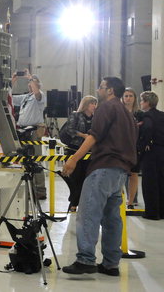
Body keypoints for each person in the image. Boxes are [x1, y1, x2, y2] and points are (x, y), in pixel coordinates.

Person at [62, 77, 137, 277]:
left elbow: (94, 136)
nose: (98, 90)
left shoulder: (106, 107)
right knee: (112, 219)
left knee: (88, 213)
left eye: (101, 87)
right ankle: (111, 264)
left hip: (103, 168)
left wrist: (74, 159)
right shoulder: (127, 113)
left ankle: (85, 260)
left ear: (110, 90)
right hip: (120, 172)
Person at [11, 70, 47, 199]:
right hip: (23, 131)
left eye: (32, 83)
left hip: (34, 131)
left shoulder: (40, 97)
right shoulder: (26, 97)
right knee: (25, 161)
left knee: (36, 160)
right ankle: (29, 189)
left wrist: (31, 78)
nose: (30, 85)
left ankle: (40, 190)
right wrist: (12, 82)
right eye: (29, 83)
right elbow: (10, 97)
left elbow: (37, 93)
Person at [61, 95, 97, 211]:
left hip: (89, 151)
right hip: (74, 149)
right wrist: (83, 136)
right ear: (86, 104)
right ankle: (73, 202)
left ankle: (80, 203)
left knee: (86, 178)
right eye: (92, 103)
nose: (94, 106)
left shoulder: (96, 118)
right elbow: (69, 130)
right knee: (75, 178)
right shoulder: (76, 115)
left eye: (95, 103)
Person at [137, 91, 164, 220]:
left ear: (147, 102)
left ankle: (152, 213)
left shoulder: (147, 116)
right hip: (162, 151)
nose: (140, 103)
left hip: (151, 153)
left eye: (142, 101)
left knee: (150, 183)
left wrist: (145, 143)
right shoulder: (162, 115)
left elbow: (148, 128)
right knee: (161, 181)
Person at [122, 87, 141, 208]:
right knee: (121, 174)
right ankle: (120, 200)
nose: (128, 98)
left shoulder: (140, 114)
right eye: (126, 96)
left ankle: (131, 201)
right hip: (121, 147)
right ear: (122, 98)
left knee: (134, 174)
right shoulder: (119, 112)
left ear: (135, 98)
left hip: (135, 148)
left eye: (130, 96)